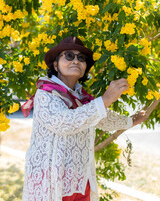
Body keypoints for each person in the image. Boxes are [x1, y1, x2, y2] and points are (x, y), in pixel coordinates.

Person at [22, 36, 146, 201]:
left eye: (81, 58)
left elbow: (102, 119)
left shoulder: (81, 96)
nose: (76, 61)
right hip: (52, 181)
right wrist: (106, 98)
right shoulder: (45, 93)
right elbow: (64, 123)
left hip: (81, 181)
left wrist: (132, 120)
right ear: (55, 64)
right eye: (69, 56)